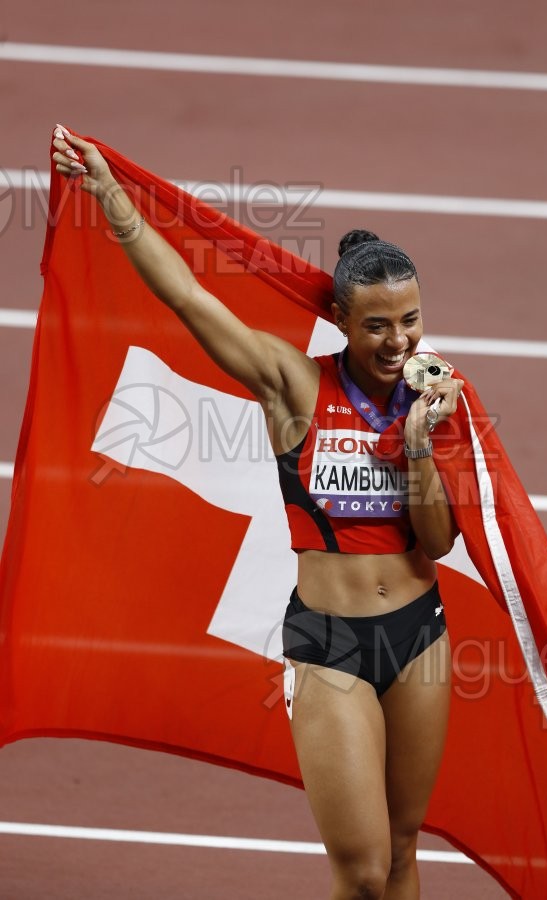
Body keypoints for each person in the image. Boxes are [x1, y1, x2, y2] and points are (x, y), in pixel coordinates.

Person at [52, 124, 464, 900]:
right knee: (365, 872)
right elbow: (186, 296)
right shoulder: (292, 385)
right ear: (341, 320)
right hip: (329, 642)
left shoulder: (437, 398)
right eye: (376, 324)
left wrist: (417, 450)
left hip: (422, 638)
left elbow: (436, 544)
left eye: (409, 320)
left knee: (407, 851)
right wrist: (110, 197)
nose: (397, 339)